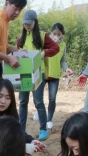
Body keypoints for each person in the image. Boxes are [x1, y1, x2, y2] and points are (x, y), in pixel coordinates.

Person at [15, 10, 59, 141]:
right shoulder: (20, 38)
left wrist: (44, 53)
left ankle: (43, 129)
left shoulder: (42, 36)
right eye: (25, 24)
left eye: (29, 23)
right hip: (24, 73)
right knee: (23, 101)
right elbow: (17, 52)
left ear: (35, 22)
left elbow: (55, 49)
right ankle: (21, 130)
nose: (27, 26)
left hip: (38, 73)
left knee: (38, 101)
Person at [43, 23, 73, 131]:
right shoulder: (44, 42)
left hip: (55, 75)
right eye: (54, 33)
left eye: (58, 34)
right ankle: (39, 113)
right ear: (50, 33)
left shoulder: (63, 45)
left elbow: (63, 60)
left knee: (52, 98)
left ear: (62, 35)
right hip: (43, 73)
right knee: (39, 97)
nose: (56, 36)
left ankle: (49, 120)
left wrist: (67, 69)